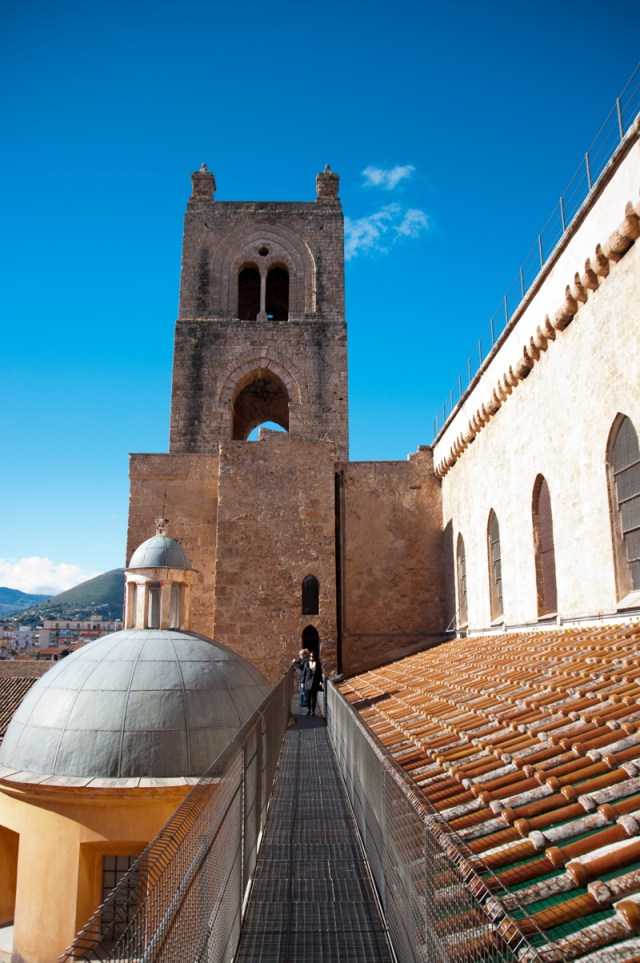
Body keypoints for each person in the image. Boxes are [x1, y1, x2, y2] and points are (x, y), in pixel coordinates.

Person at [301, 650, 322, 716]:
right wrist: (302, 682)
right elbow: (304, 673)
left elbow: (319, 673)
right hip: (308, 682)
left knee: (314, 697)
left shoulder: (317, 663)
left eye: (312, 656)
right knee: (308, 697)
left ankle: (313, 711)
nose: (311, 657)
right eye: (310, 656)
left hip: (315, 682)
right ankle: (309, 709)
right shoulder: (307, 663)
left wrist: (321, 681)